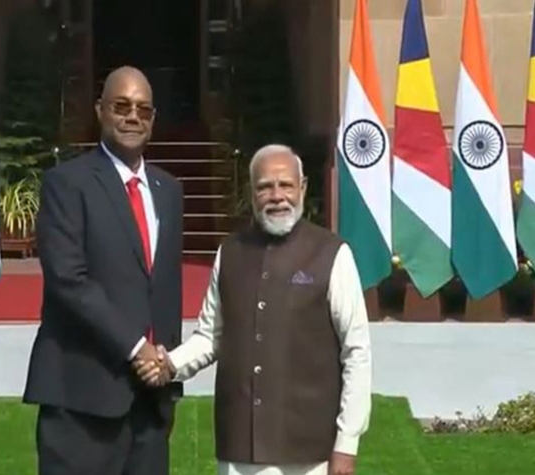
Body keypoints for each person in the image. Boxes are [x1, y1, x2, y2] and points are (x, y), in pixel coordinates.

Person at [135, 144, 372, 475]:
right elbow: (210, 336)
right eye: (265, 187)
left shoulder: (332, 254)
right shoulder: (230, 252)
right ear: (252, 192)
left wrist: (346, 444)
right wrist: (170, 364)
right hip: (239, 450)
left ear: (302, 187)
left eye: (286, 185)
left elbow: (357, 351)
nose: (277, 196)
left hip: (310, 453)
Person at [22, 65, 184, 475]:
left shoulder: (168, 191)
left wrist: (169, 378)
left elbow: (165, 289)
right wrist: (136, 347)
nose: (133, 117)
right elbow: (69, 281)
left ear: (153, 119)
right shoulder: (66, 184)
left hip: (149, 402)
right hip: (81, 400)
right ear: (100, 110)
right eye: (121, 106)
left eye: (143, 110)